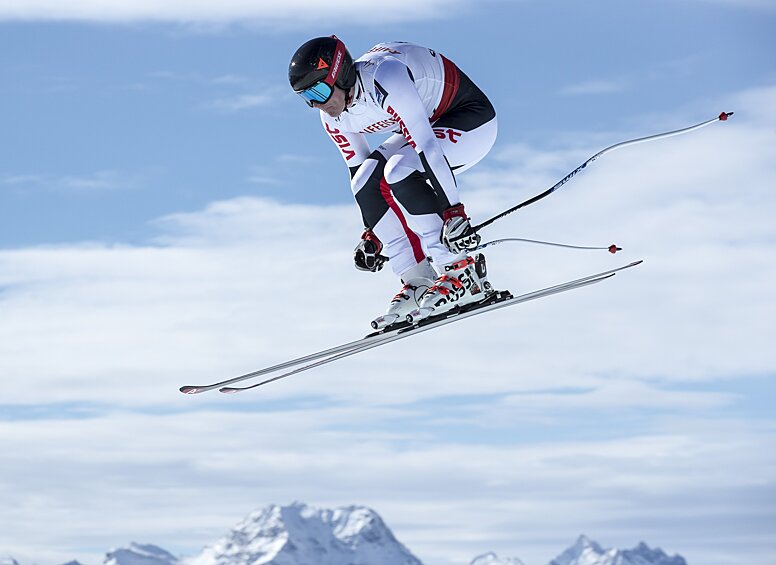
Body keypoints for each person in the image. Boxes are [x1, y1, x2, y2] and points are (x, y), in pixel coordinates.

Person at [288, 36, 498, 328]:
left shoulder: (385, 78)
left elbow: (427, 147)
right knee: (364, 181)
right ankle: (418, 279)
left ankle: (459, 270)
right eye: (306, 97)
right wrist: (373, 232)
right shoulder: (333, 118)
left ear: (341, 74)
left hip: (469, 118)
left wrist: (454, 213)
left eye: (320, 91)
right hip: (428, 122)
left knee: (399, 170)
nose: (316, 104)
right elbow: (362, 174)